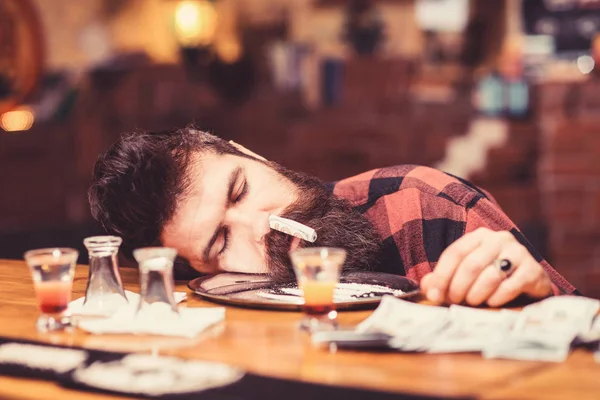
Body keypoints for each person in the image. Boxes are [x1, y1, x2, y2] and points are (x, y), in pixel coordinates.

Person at [88, 127, 578, 307]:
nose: (262, 226)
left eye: (240, 191)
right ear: (200, 270)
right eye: (220, 241)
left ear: (248, 153)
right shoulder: (214, 301)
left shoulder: (422, 204)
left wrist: (534, 293)